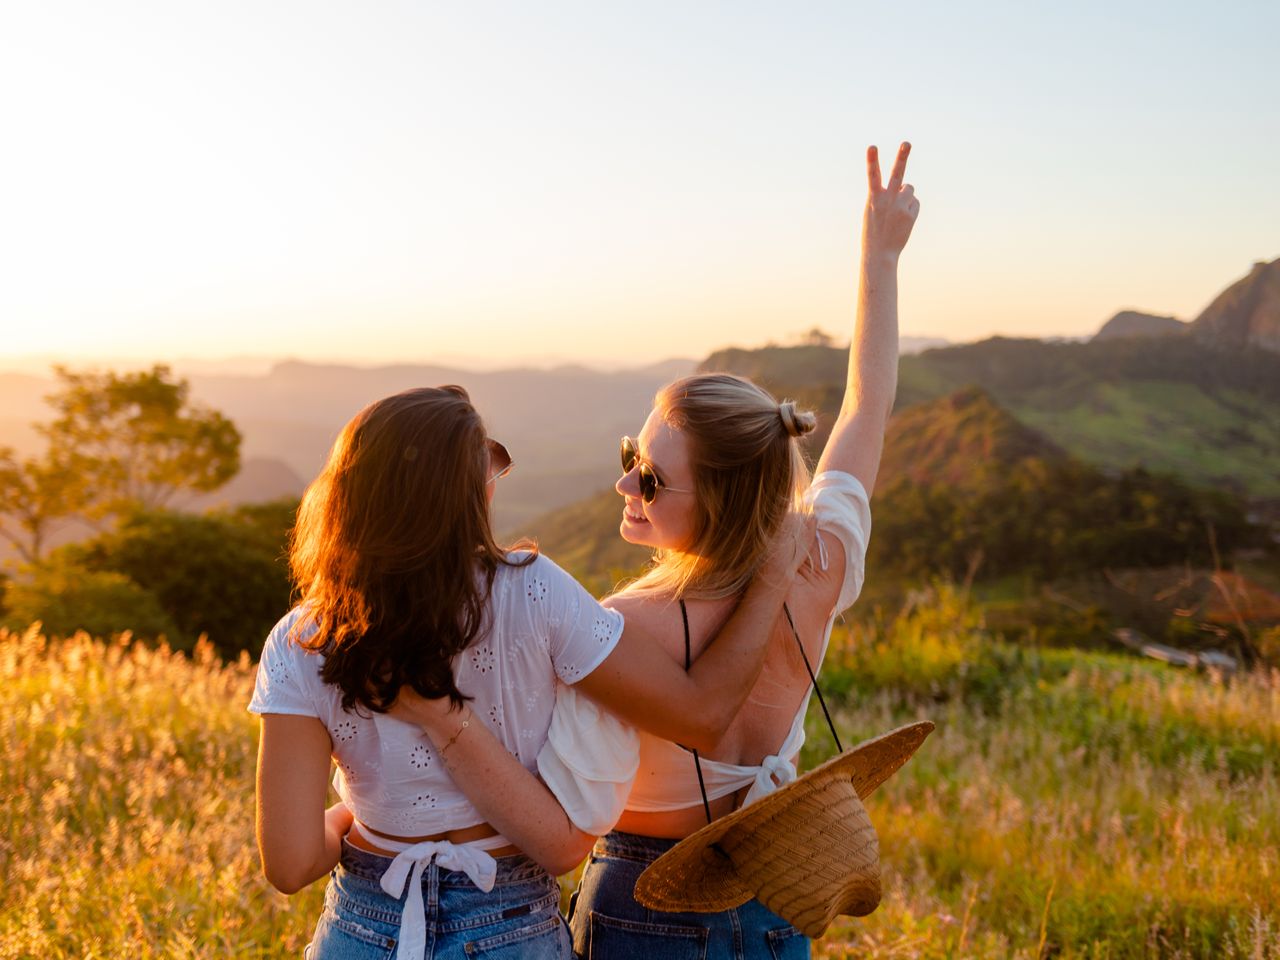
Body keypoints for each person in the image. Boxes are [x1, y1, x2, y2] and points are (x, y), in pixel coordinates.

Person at [390, 142, 920, 958]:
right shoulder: (820, 564)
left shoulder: (620, 629)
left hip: (646, 902)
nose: (625, 487)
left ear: (721, 500)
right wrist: (878, 258)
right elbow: (867, 408)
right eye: (629, 456)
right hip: (779, 886)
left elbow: (553, 812)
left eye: (651, 479)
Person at [248, 385, 812, 959]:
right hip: (509, 923)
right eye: (487, 464)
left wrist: (353, 817)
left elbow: (291, 864)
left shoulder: (301, 640)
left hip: (363, 925)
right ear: (465, 494)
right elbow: (701, 716)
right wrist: (771, 574)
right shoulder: (535, 592)